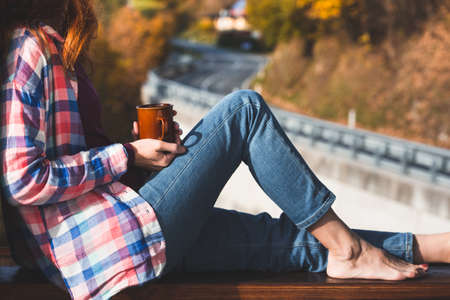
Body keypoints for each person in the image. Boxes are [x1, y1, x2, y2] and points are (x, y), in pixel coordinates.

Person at [1, 1, 448, 299]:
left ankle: (434, 246)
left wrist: (142, 150)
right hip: (105, 243)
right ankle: (350, 251)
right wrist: (128, 155)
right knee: (244, 110)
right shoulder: (32, 49)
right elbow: (23, 178)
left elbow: (61, 163)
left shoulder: (51, 49)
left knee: (292, 239)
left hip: (111, 240)